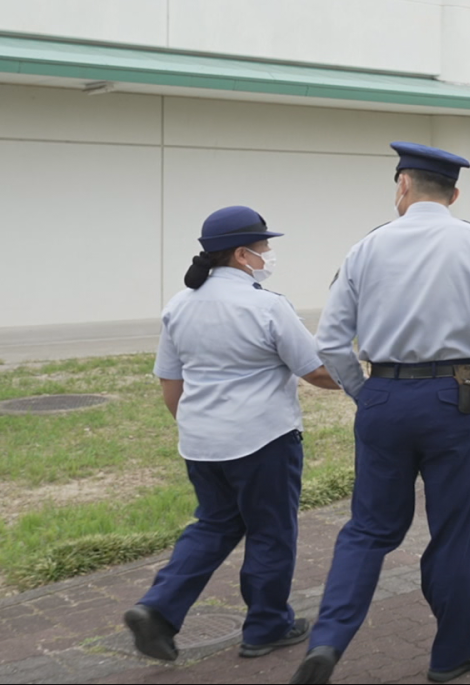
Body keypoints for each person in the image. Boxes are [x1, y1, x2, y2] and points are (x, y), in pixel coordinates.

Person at [292, 143, 470, 685]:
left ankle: (328, 641)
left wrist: (364, 392)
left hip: (383, 396)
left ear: (402, 186)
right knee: (453, 532)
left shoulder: (365, 249)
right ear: (453, 193)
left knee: (368, 530)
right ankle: (451, 653)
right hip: (454, 397)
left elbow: (329, 342)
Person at [123, 207, 339, 664]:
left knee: (214, 524)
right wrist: (370, 377)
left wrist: (199, 425)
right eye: (263, 247)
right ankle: (266, 627)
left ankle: (157, 609)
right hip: (263, 440)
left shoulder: (179, 306)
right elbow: (318, 371)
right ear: (243, 254)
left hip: (201, 443)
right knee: (271, 532)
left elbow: (170, 384)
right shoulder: (266, 305)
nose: (268, 255)